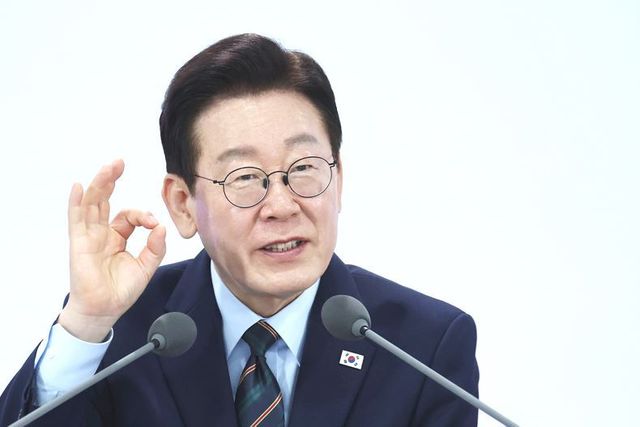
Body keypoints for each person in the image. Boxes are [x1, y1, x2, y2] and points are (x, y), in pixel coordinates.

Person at [0, 33, 479, 426]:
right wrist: (85, 325)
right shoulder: (121, 333)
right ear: (183, 204)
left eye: (304, 168)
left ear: (339, 180)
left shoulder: (423, 348)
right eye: (245, 178)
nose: (282, 206)